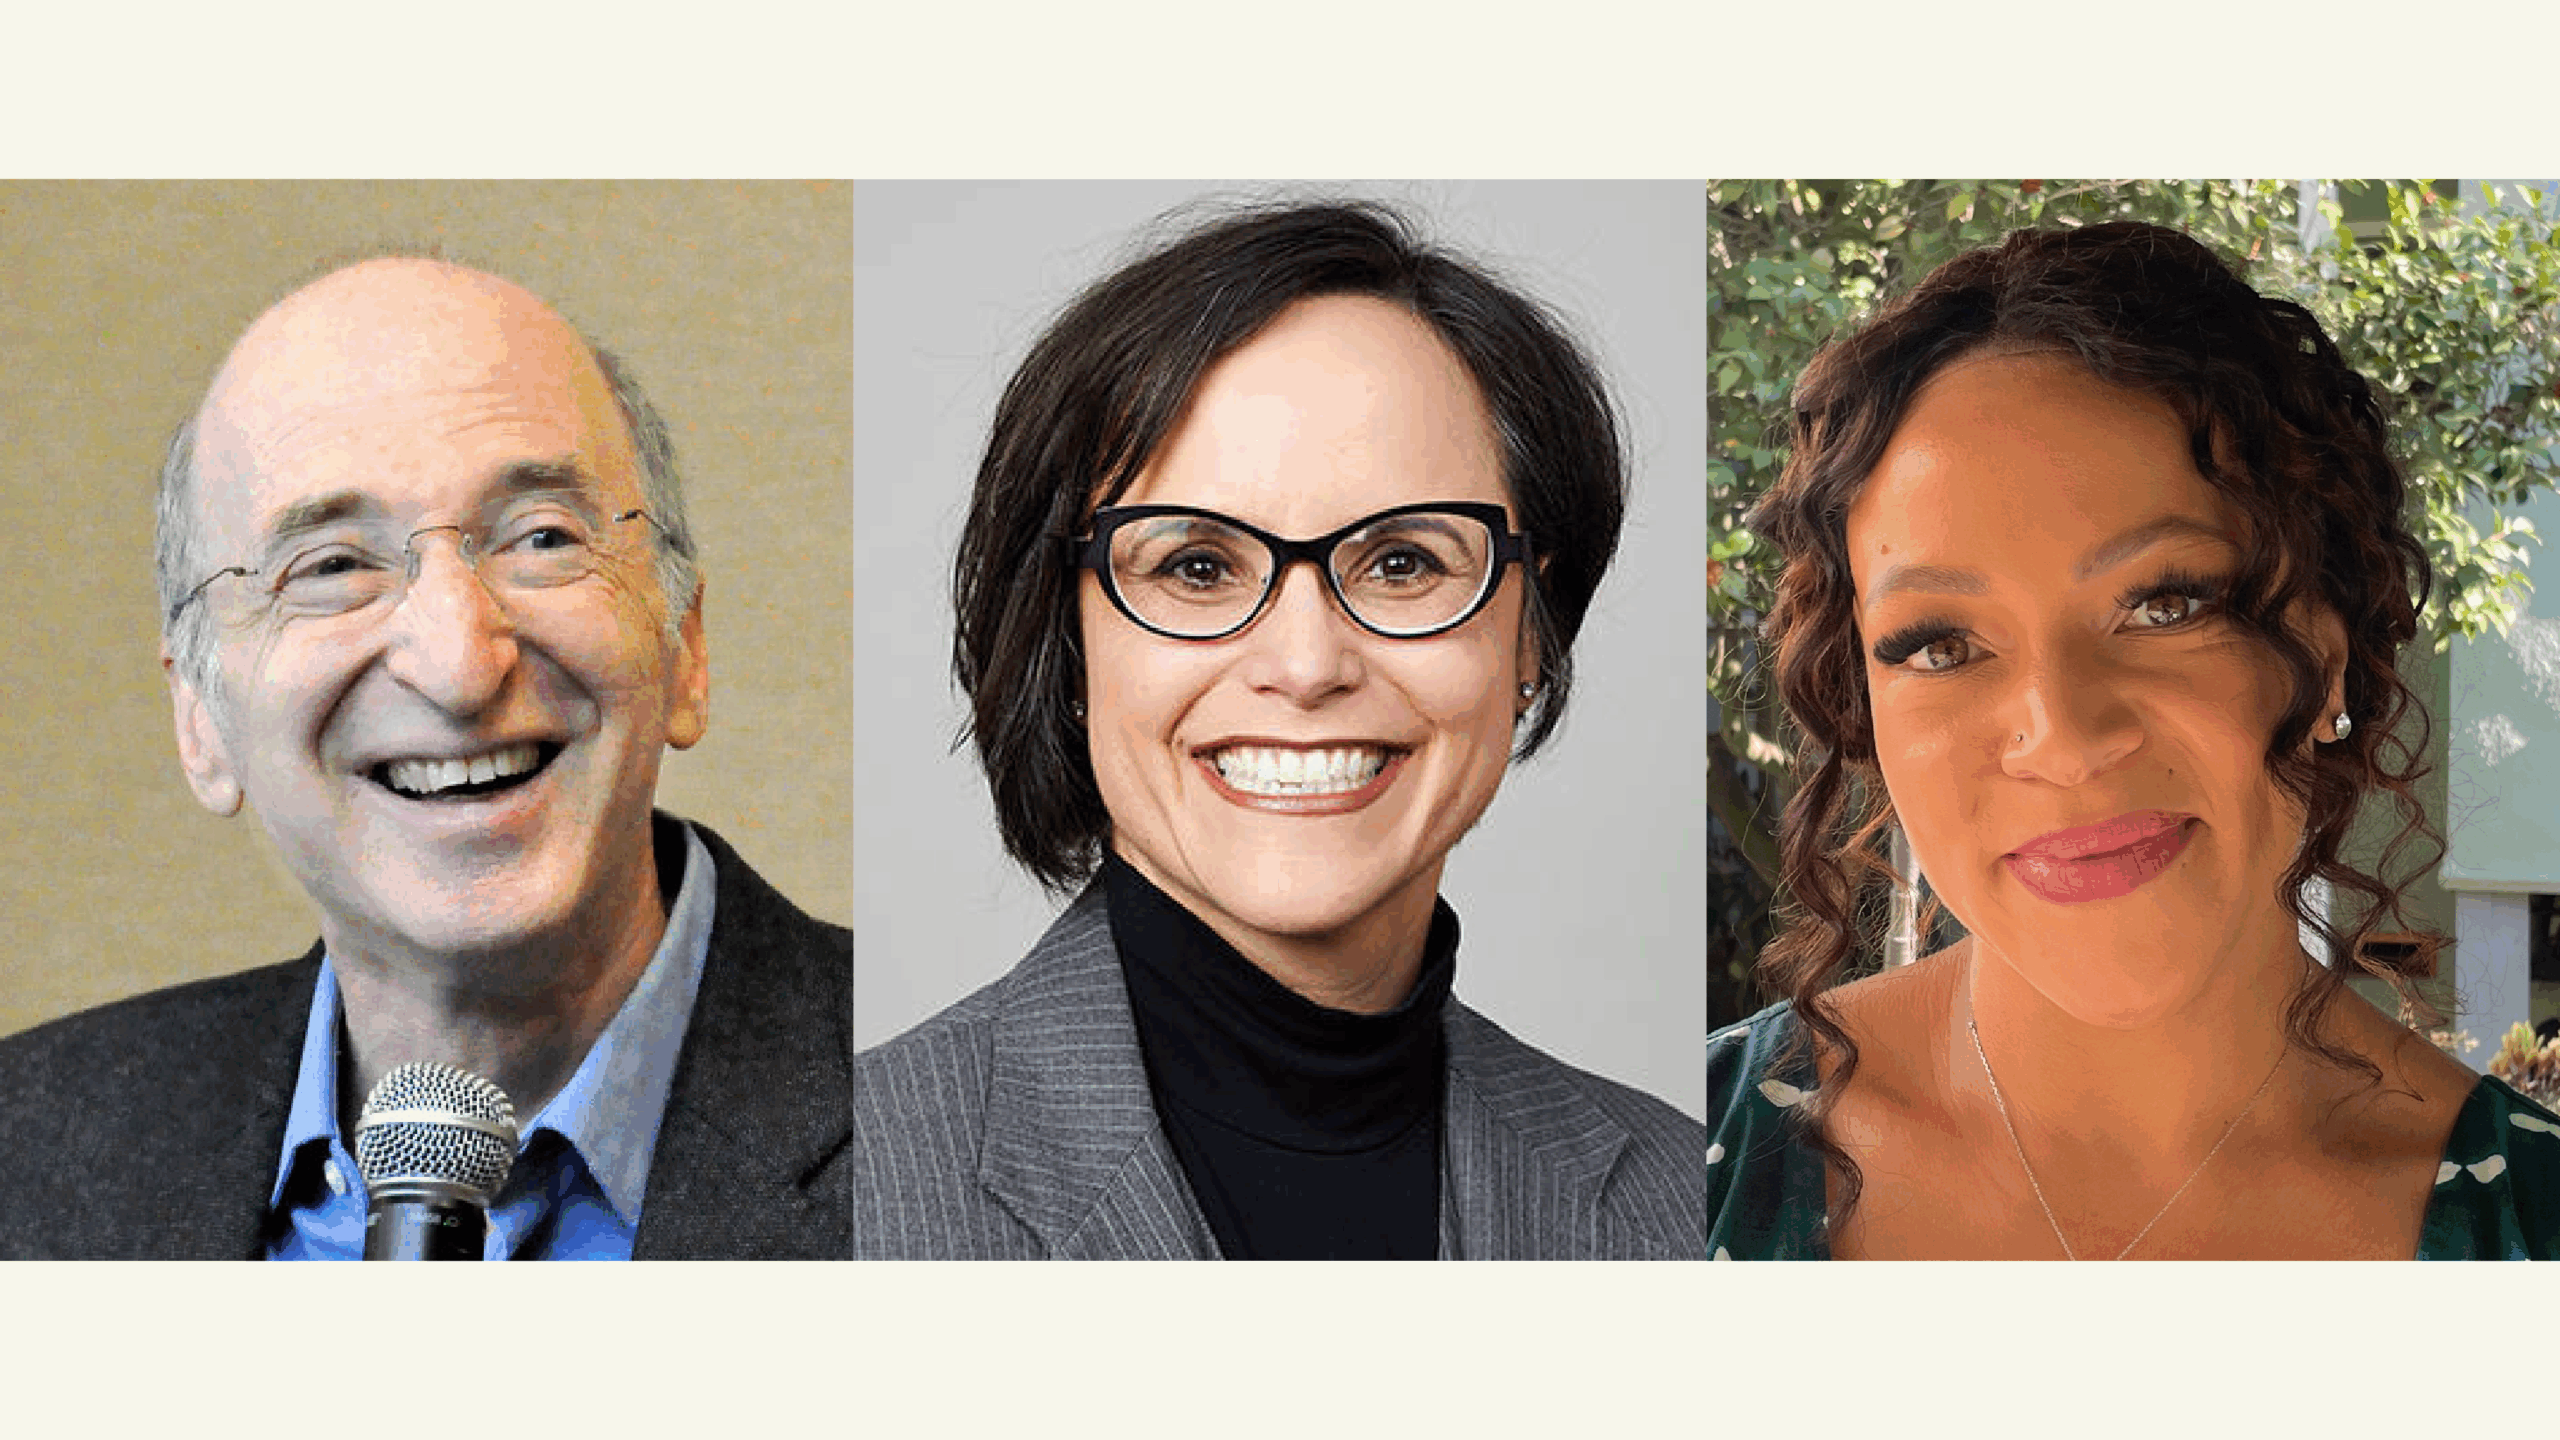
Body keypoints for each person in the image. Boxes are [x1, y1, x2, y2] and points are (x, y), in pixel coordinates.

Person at [852, 200, 1708, 1259]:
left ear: (1531, 636)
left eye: (1403, 563)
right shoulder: (854, 1180)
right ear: (1066, 643)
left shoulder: (1679, 1199)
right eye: (1195, 568)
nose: (1305, 667)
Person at [1711, 220, 2560, 1260]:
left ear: (2326, 650)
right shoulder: (1682, 1152)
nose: (2062, 740)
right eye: (1939, 646)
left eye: (2164, 605)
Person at [0, 257, 851, 1259]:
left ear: (685, 648)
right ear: (199, 715)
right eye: (331, 566)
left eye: (540, 539)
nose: (457, 664)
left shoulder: (953, 1117)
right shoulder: (28, 1162)